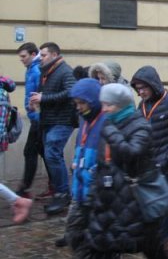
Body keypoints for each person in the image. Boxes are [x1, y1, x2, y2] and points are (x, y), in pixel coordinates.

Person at [79, 82, 168, 258]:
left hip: (135, 199)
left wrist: (111, 132)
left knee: (149, 245)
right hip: (108, 198)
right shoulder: (109, 123)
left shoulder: (139, 125)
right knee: (98, 245)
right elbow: (103, 163)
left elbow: (132, 153)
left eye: (109, 105)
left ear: (121, 104)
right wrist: (91, 197)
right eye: (103, 104)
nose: (104, 109)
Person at [130, 65, 168, 253]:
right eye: (138, 89)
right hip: (150, 163)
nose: (141, 92)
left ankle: (160, 242)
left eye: (144, 88)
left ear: (153, 85)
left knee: (159, 202)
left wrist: (165, 160)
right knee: (165, 199)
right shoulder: (141, 105)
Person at [28, 42, 77, 215]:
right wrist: (35, 101)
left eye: (43, 55)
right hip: (48, 120)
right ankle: (60, 192)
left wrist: (44, 98)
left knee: (52, 154)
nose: (40, 58)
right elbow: (44, 95)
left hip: (63, 121)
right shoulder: (46, 72)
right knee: (51, 155)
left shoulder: (65, 70)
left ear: (55, 55)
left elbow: (71, 92)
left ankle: (63, 193)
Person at [63, 77, 108, 251]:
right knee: (73, 232)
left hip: (97, 192)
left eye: (82, 103)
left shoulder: (106, 121)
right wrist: (75, 162)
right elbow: (80, 145)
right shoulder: (84, 119)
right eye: (76, 103)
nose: (78, 107)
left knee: (100, 238)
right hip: (79, 188)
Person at [15, 42, 51, 199]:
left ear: (32, 54)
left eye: (23, 56)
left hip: (39, 119)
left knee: (30, 151)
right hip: (36, 118)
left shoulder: (36, 70)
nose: (21, 60)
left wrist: (36, 116)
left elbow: (40, 94)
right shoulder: (32, 68)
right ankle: (54, 186)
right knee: (43, 152)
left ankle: (25, 188)